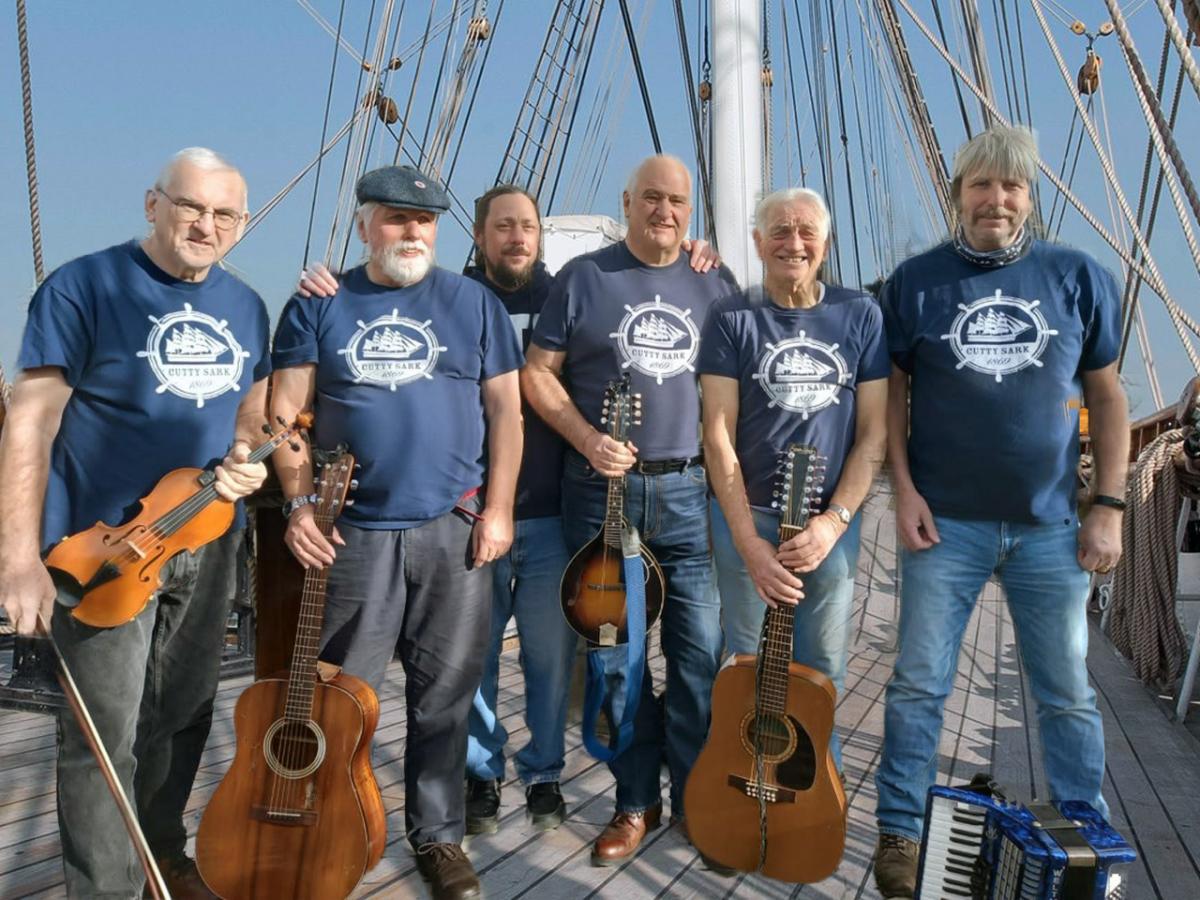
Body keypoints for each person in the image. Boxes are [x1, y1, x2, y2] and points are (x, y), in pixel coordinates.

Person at [296, 186, 722, 839]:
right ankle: (481, 774)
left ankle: (545, 772)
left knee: (551, 660)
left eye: (527, 226)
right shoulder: (452, 300)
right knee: (472, 660)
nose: (517, 238)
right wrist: (326, 281)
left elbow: (641, 304)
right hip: (468, 514)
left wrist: (689, 251)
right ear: (479, 234)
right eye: (503, 227)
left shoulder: (570, 292)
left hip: (553, 509)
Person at [0, 147, 270, 898]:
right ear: (153, 204)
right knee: (101, 737)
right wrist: (17, 559)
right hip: (103, 549)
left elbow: (248, 416)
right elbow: (30, 418)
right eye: (190, 206)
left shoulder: (246, 306)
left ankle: (157, 854)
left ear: (241, 225)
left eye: (222, 214)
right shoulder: (83, 286)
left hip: (208, 539)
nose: (204, 224)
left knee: (184, 716)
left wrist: (249, 457)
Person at [872, 126, 1129, 898]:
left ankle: (1085, 833)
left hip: (1050, 526)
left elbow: (1110, 397)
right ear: (959, 195)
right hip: (943, 523)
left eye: (1011, 186)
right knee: (919, 684)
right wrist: (906, 491)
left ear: (1029, 195)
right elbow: (891, 397)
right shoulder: (914, 283)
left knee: (1067, 693)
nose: (996, 199)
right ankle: (900, 834)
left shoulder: (1078, 276)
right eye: (981, 185)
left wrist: (1109, 507)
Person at [271, 164, 523, 900]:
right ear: (363, 226)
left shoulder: (474, 305)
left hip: (454, 525)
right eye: (393, 218)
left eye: (423, 221)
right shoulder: (319, 303)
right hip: (353, 535)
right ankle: (324, 825)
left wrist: (500, 510)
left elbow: (506, 414)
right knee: (339, 697)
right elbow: (283, 417)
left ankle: (437, 838)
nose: (410, 231)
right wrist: (295, 507)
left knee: (444, 697)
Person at [522, 154, 739, 866]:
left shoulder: (715, 282)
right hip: (603, 492)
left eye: (677, 200)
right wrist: (585, 436)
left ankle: (697, 797)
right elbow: (537, 374)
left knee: (698, 655)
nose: (664, 211)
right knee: (615, 660)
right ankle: (635, 801)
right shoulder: (585, 279)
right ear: (627, 202)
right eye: (651, 198)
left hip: (687, 495)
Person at [699, 187, 888, 774]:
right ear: (757, 243)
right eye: (779, 231)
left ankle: (810, 794)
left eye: (807, 231)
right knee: (744, 662)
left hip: (829, 524)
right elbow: (718, 435)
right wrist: (749, 544)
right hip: (747, 516)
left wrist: (834, 523)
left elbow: (874, 435)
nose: (793, 242)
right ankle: (738, 785)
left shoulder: (860, 315)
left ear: (825, 243)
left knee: (822, 666)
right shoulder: (731, 318)